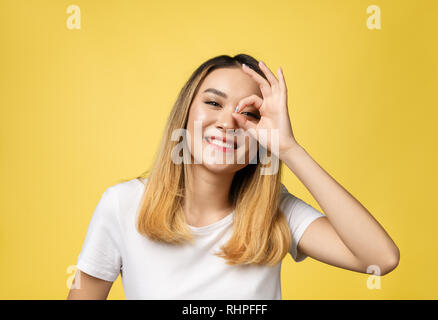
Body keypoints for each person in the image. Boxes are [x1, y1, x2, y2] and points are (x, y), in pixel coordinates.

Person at [67, 54, 400, 300]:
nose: (228, 123)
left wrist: (288, 147)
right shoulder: (122, 204)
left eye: (249, 113)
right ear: (185, 114)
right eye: (214, 103)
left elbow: (380, 259)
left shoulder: (275, 210)